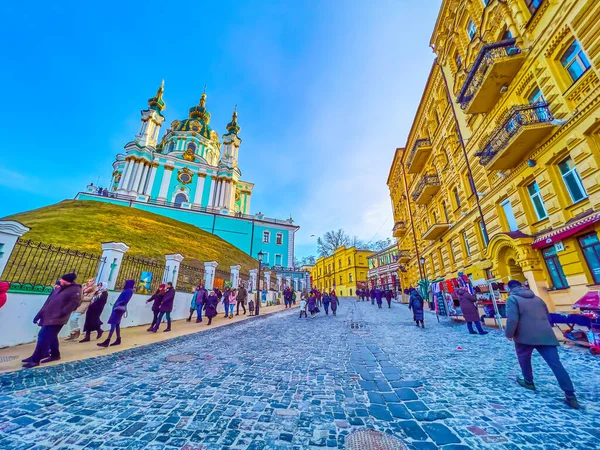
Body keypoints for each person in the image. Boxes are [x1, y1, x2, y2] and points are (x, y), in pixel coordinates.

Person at [505, 279, 578, 409]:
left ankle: (528, 381)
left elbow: (512, 319)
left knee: (524, 359)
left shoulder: (513, 299)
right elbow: (548, 316)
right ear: (522, 286)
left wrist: (509, 334)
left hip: (524, 336)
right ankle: (570, 394)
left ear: (509, 288)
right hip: (546, 335)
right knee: (556, 364)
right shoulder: (537, 298)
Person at [23, 273, 82, 368]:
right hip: (48, 316)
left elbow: (74, 304)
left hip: (58, 318)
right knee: (51, 336)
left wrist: (61, 313)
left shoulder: (75, 290)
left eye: (63, 280)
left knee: (43, 337)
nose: (61, 281)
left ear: (68, 281)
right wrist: (39, 314)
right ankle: (55, 355)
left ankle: (35, 359)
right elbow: (48, 302)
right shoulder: (60, 288)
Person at [98, 279, 134, 347]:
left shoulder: (128, 290)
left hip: (118, 309)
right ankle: (118, 339)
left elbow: (125, 300)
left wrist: (117, 304)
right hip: (119, 308)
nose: (124, 283)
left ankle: (107, 340)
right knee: (117, 324)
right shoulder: (129, 290)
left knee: (113, 324)